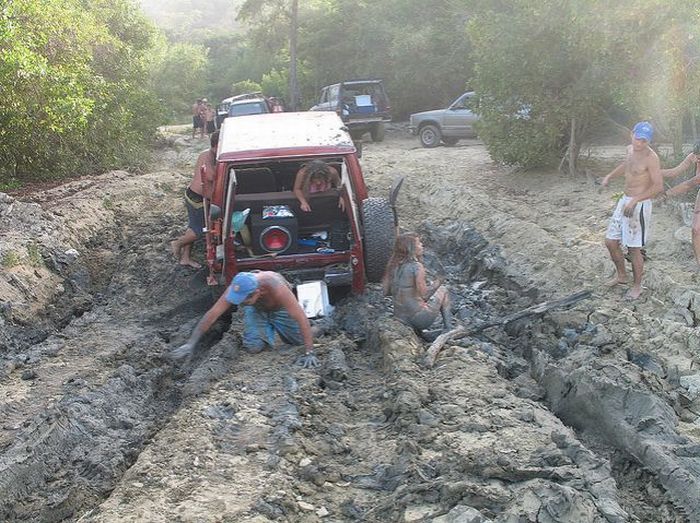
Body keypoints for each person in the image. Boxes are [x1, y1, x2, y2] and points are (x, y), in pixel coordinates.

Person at [171, 271, 319, 368]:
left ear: (257, 292)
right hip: (258, 309)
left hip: (280, 309)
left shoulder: (278, 289)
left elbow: (300, 318)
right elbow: (212, 315)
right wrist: (190, 344)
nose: (240, 303)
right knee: (254, 347)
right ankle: (267, 329)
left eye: (244, 300)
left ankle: (320, 326)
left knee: (298, 341)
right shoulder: (238, 287)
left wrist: (309, 352)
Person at [601, 121, 663, 300]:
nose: (639, 143)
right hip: (624, 200)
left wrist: (636, 200)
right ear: (631, 134)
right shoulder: (629, 149)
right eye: (638, 138)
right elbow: (626, 166)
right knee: (611, 242)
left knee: (634, 248)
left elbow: (658, 186)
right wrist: (609, 176)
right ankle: (621, 275)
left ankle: (637, 286)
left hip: (640, 204)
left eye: (644, 141)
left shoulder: (651, 158)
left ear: (648, 142)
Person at [382, 233, 452, 336]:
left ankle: (419, 333)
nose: (422, 245)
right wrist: (439, 281)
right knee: (444, 290)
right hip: (418, 319)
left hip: (400, 318)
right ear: (411, 249)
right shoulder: (416, 267)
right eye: (419, 243)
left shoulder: (393, 266)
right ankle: (448, 329)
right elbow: (425, 295)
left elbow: (385, 292)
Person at [171, 130, 219, 268]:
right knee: (200, 230)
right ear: (215, 145)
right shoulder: (208, 156)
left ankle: (185, 258)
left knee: (192, 227)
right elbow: (210, 176)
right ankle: (177, 243)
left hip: (195, 194)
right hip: (198, 198)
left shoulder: (208, 154)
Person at [659, 141, 700, 264]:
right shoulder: (693, 156)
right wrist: (653, 172)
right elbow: (674, 171)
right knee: (695, 230)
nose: (698, 161)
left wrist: (666, 195)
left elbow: (689, 184)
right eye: (697, 158)